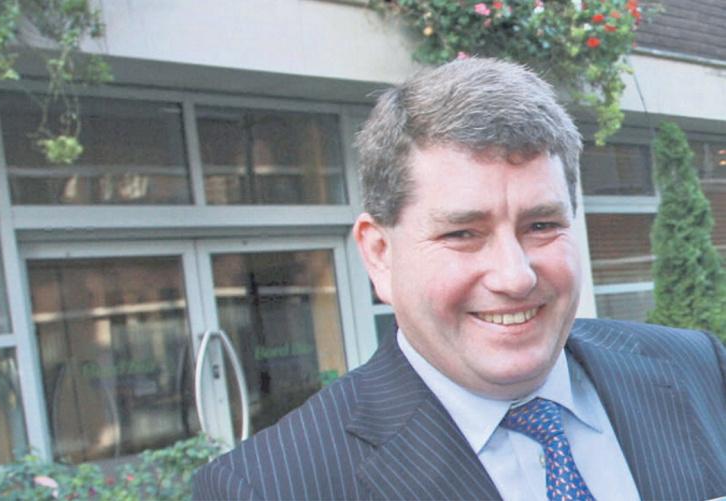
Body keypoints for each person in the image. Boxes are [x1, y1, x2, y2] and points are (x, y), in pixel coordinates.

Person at [193, 58, 726, 501]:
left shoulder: (700, 369)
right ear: (379, 254)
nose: (515, 277)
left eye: (541, 225)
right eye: (463, 233)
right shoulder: (267, 487)